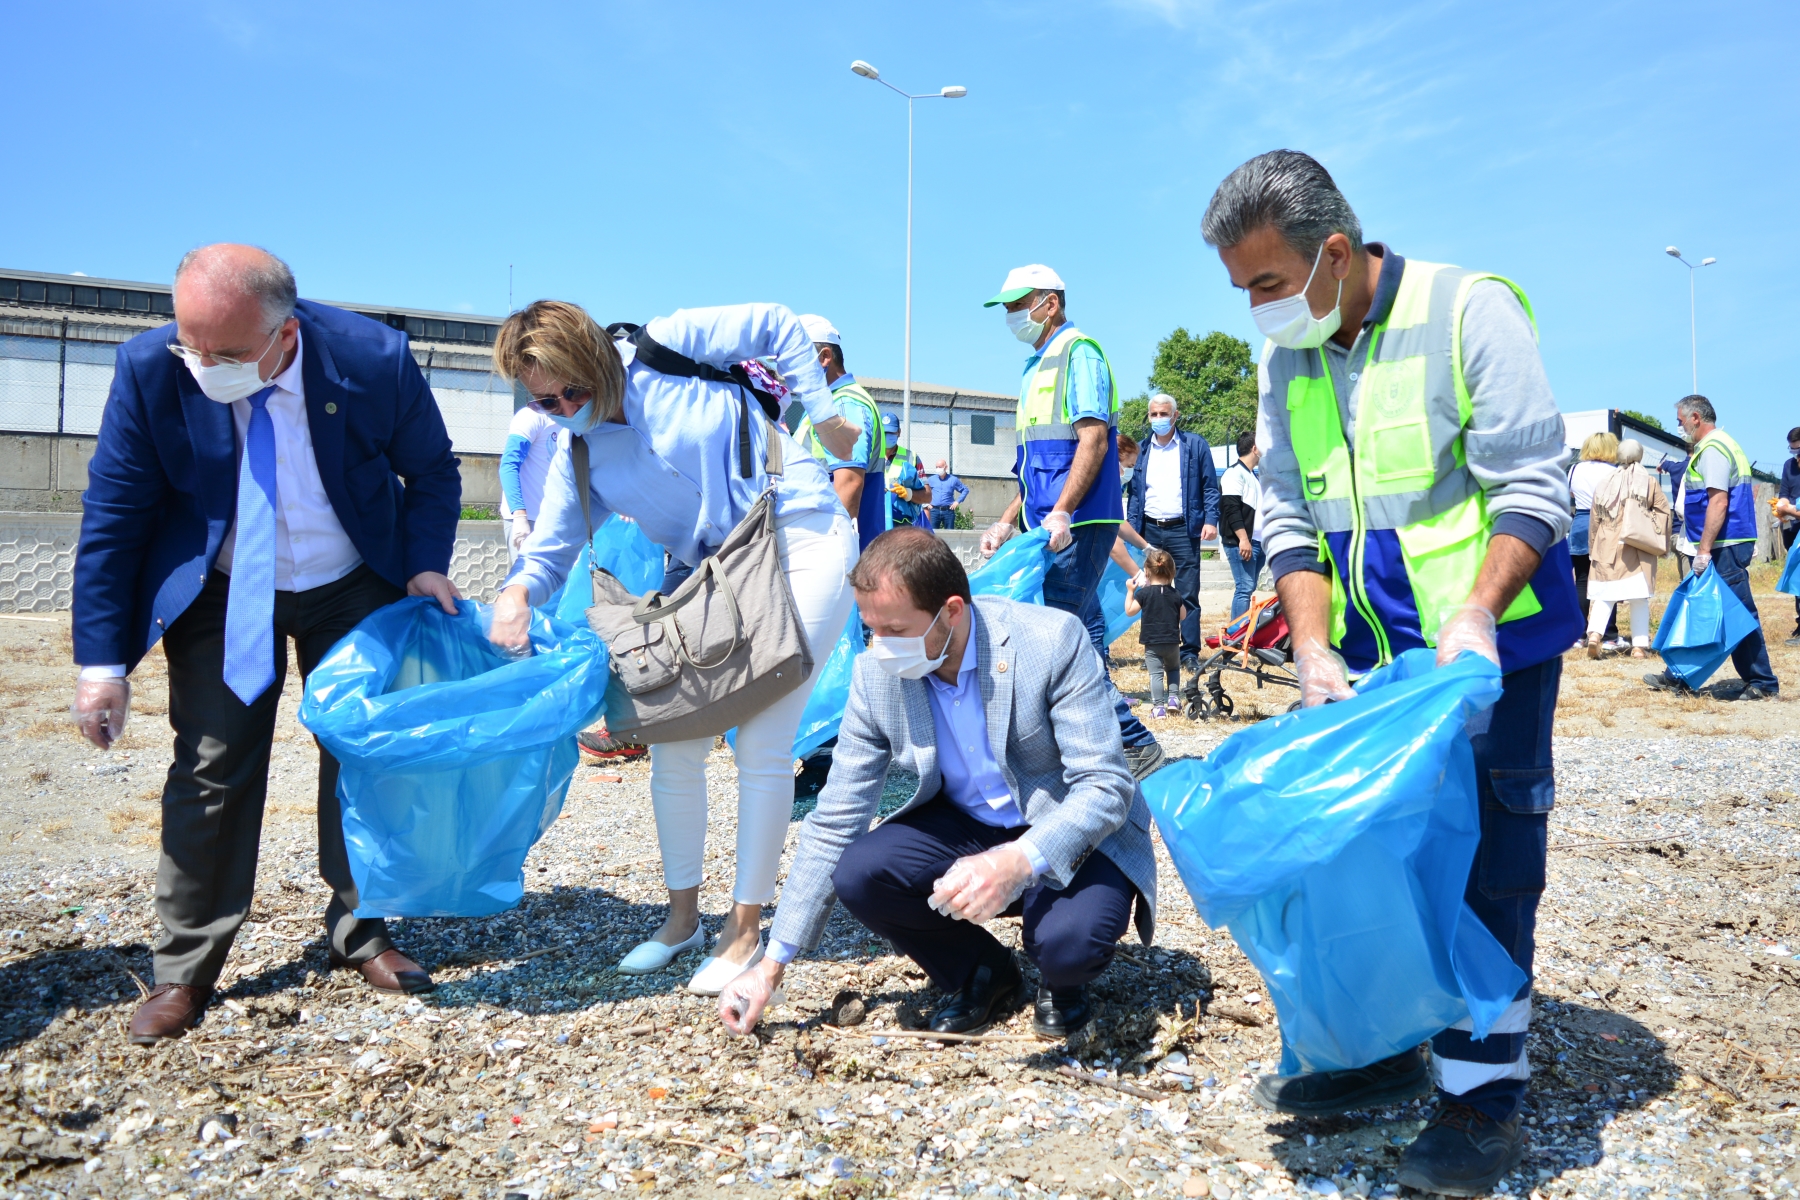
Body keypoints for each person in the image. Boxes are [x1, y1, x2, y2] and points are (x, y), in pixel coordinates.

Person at [1202, 151, 1583, 1194]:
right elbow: (1287, 513)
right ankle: (1382, 1046)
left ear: (1334, 253)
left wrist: (1473, 615)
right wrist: (1314, 646)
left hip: (1483, 653)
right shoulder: (1295, 360)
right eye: (1243, 291)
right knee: (1373, 855)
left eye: (1268, 285)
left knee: (1490, 866)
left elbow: (1533, 486)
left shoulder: (1469, 312)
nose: (1258, 311)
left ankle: (1481, 1099)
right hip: (1369, 663)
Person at [70, 244, 465, 1044]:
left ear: (285, 334)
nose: (202, 364)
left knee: (364, 754)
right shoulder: (152, 368)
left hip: (350, 578)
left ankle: (362, 930)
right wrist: (101, 663)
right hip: (221, 586)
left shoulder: (371, 358)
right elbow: (115, 513)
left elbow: (432, 471)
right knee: (212, 765)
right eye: (191, 343)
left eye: (225, 352)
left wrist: (424, 565)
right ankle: (184, 969)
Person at [485, 300, 859, 994]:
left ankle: (745, 928)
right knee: (674, 741)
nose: (566, 406)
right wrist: (514, 594)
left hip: (799, 531)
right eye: (546, 401)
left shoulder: (666, 347)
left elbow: (778, 323)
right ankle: (681, 917)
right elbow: (552, 551)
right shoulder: (580, 447)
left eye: (575, 389)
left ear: (597, 358)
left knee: (762, 738)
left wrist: (825, 412)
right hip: (708, 572)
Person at [714, 528, 1156, 1039]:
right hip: (970, 824)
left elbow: (1105, 786)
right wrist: (771, 965)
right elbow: (836, 818)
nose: (882, 646)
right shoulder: (876, 676)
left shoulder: (1051, 641)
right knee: (861, 872)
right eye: (870, 629)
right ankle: (981, 972)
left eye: (896, 630)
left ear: (951, 611)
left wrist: (1016, 861)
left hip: (1067, 825)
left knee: (1066, 944)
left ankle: (1060, 982)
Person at [976, 264, 1164, 780]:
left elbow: (1093, 440)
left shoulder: (1079, 355)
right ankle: (1092, 745)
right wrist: (1004, 521)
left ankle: (1132, 743)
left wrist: (1062, 509)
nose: (1013, 315)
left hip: (1079, 522)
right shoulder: (1035, 367)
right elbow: (1032, 463)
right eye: (1010, 307)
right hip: (1051, 525)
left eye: (1020, 304)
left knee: (1060, 635)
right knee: (1064, 633)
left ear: (1050, 303)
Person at [1645, 395, 1779, 699]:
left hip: (1723, 546)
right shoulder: (1722, 444)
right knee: (1704, 610)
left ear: (1695, 418)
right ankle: (1677, 676)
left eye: (1680, 421)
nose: (1679, 426)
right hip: (1726, 543)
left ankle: (1762, 683)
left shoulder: (1714, 449)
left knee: (1738, 615)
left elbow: (1718, 501)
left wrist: (1704, 550)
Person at [1123, 393, 1219, 672]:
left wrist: (1210, 520)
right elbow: (1135, 494)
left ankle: (1188, 652)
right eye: (1153, 414)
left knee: (1187, 594)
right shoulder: (1142, 450)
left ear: (1175, 415)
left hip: (1183, 530)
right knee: (1151, 594)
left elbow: (1210, 487)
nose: (1158, 419)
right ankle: (1153, 653)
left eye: (1163, 414)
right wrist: (1133, 530)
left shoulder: (1195, 446)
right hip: (1150, 531)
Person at [794, 315, 889, 552]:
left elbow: (849, 484)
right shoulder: (826, 404)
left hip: (835, 556)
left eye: (794, 359)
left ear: (825, 357)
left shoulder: (844, 404)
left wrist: (831, 556)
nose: (787, 369)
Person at [1584, 439, 1669, 659]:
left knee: (1605, 594)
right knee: (1639, 597)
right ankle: (1639, 647)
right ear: (1640, 456)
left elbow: (1595, 518)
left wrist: (1593, 546)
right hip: (1636, 545)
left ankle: (1594, 636)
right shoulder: (1649, 482)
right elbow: (1663, 511)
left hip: (1607, 544)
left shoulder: (1605, 482)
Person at [1567, 432, 1620, 646]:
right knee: (1608, 580)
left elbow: (1570, 494)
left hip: (1580, 522)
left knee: (1581, 580)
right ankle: (1608, 634)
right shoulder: (1614, 472)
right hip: (1606, 524)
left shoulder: (1575, 469)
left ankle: (1579, 634)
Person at [1124, 548, 1185, 717]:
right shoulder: (1176, 594)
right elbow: (1183, 615)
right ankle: (1173, 699)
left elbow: (1129, 611)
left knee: (1156, 674)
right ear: (1172, 572)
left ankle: (1158, 708)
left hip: (1152, 643)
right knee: (1173, 669)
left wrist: (1130, 591)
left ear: (1147, 572)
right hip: (1172, 641)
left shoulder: (1144, 594)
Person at [499, 404, 561, 561]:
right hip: (528, 519)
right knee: (527, 581)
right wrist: (520, 516)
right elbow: (509, 466)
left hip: (557, 519)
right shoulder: (532, 416)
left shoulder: (572, 422)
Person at [1219, 433, 1267, 619]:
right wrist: (1243, 539)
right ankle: (1237, 633)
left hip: (1257, 541)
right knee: (1244, 587)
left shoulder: (1251, 475)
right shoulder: (1234, 473)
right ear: (1254, 448)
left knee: (1249, 586)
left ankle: (1242, 631)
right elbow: (1231, 509)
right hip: (1243, 542)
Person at [1778, 427, 1800, 645]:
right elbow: (1784, 491)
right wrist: (1782, 504)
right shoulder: (1789, 466)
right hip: (1793, 529)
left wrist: (1791, 510)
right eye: (1792, 451)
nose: (1796, 456)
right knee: (1797, 578)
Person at [888, 440, 929, 528]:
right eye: (884, 433)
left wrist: (909, 494)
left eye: (891, 432)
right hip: (873, 520)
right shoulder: (868, 455)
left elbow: (927, 495)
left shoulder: (911, 457)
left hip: (901, 524)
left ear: (899, 432)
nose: (887, 436)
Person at [926, 459, 970, 530]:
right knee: (932, 534)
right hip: (934, 511)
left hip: (948, 511)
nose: (938, 469)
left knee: (949, 533)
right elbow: (924, 491)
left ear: (945, 467)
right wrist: (927, 503)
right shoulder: (931, 479)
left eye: (940, 467)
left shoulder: (953, 480)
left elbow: (965, 490)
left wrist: (957, 502)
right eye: (936, 467)